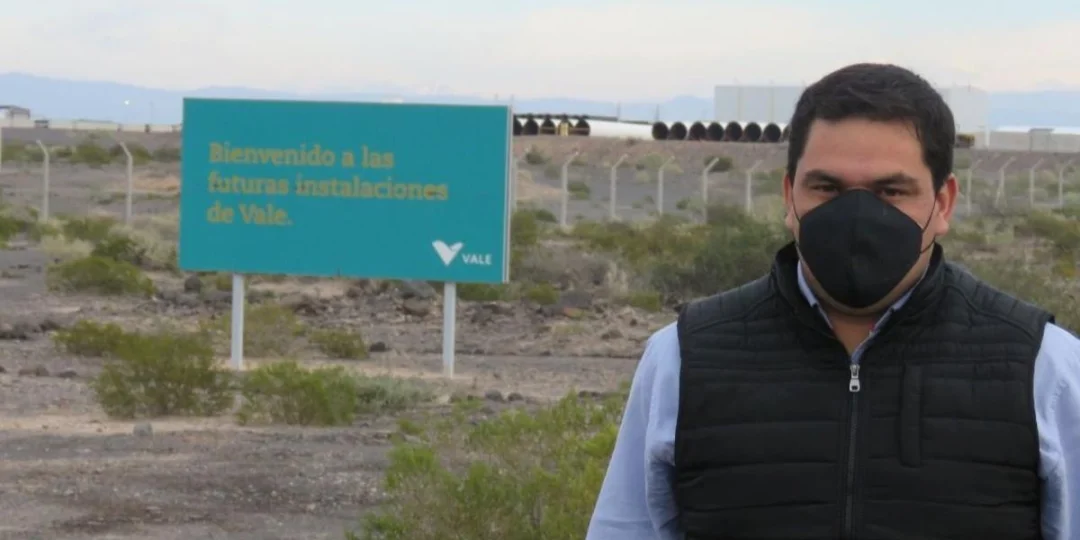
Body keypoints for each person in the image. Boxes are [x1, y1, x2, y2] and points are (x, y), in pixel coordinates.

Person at [585, 63, 1079, 540]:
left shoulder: (1044, 370)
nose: (857, 216)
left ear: (943, 203)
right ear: (789, 196)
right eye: (827, 187)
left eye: (891, 190)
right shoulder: (683, 359)